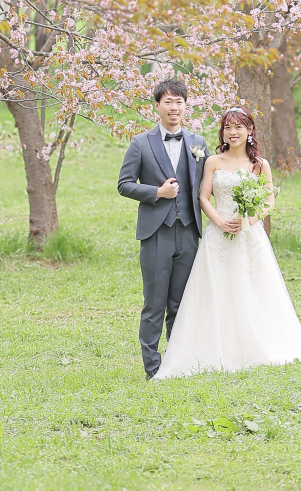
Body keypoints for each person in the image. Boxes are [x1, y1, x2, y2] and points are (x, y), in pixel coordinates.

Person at [154, 106, 301, 379]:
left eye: (238, 127)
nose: (232, 132)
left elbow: (269, 199)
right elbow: (202, 198)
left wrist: (251, 218)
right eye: (228, 127)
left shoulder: (260, 164)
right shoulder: (213, 161)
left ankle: (256, 342)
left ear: (249, 131)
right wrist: (220, 222)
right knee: (218, 289)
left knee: (253, 286)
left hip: (249, 233)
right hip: (218, 233)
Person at [117, 78, 210, 379]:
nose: (174, 107)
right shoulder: (140, 143)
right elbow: (124, 184)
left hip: (188, 231)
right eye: (167, 102)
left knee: (182, 302)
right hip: (156, 232)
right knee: (155, 303)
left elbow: (208, 187)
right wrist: (156, 192)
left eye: (179, 101)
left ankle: (177, 362)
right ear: (156, 106)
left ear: (186, 106)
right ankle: (153, 368)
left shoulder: (198, 143)